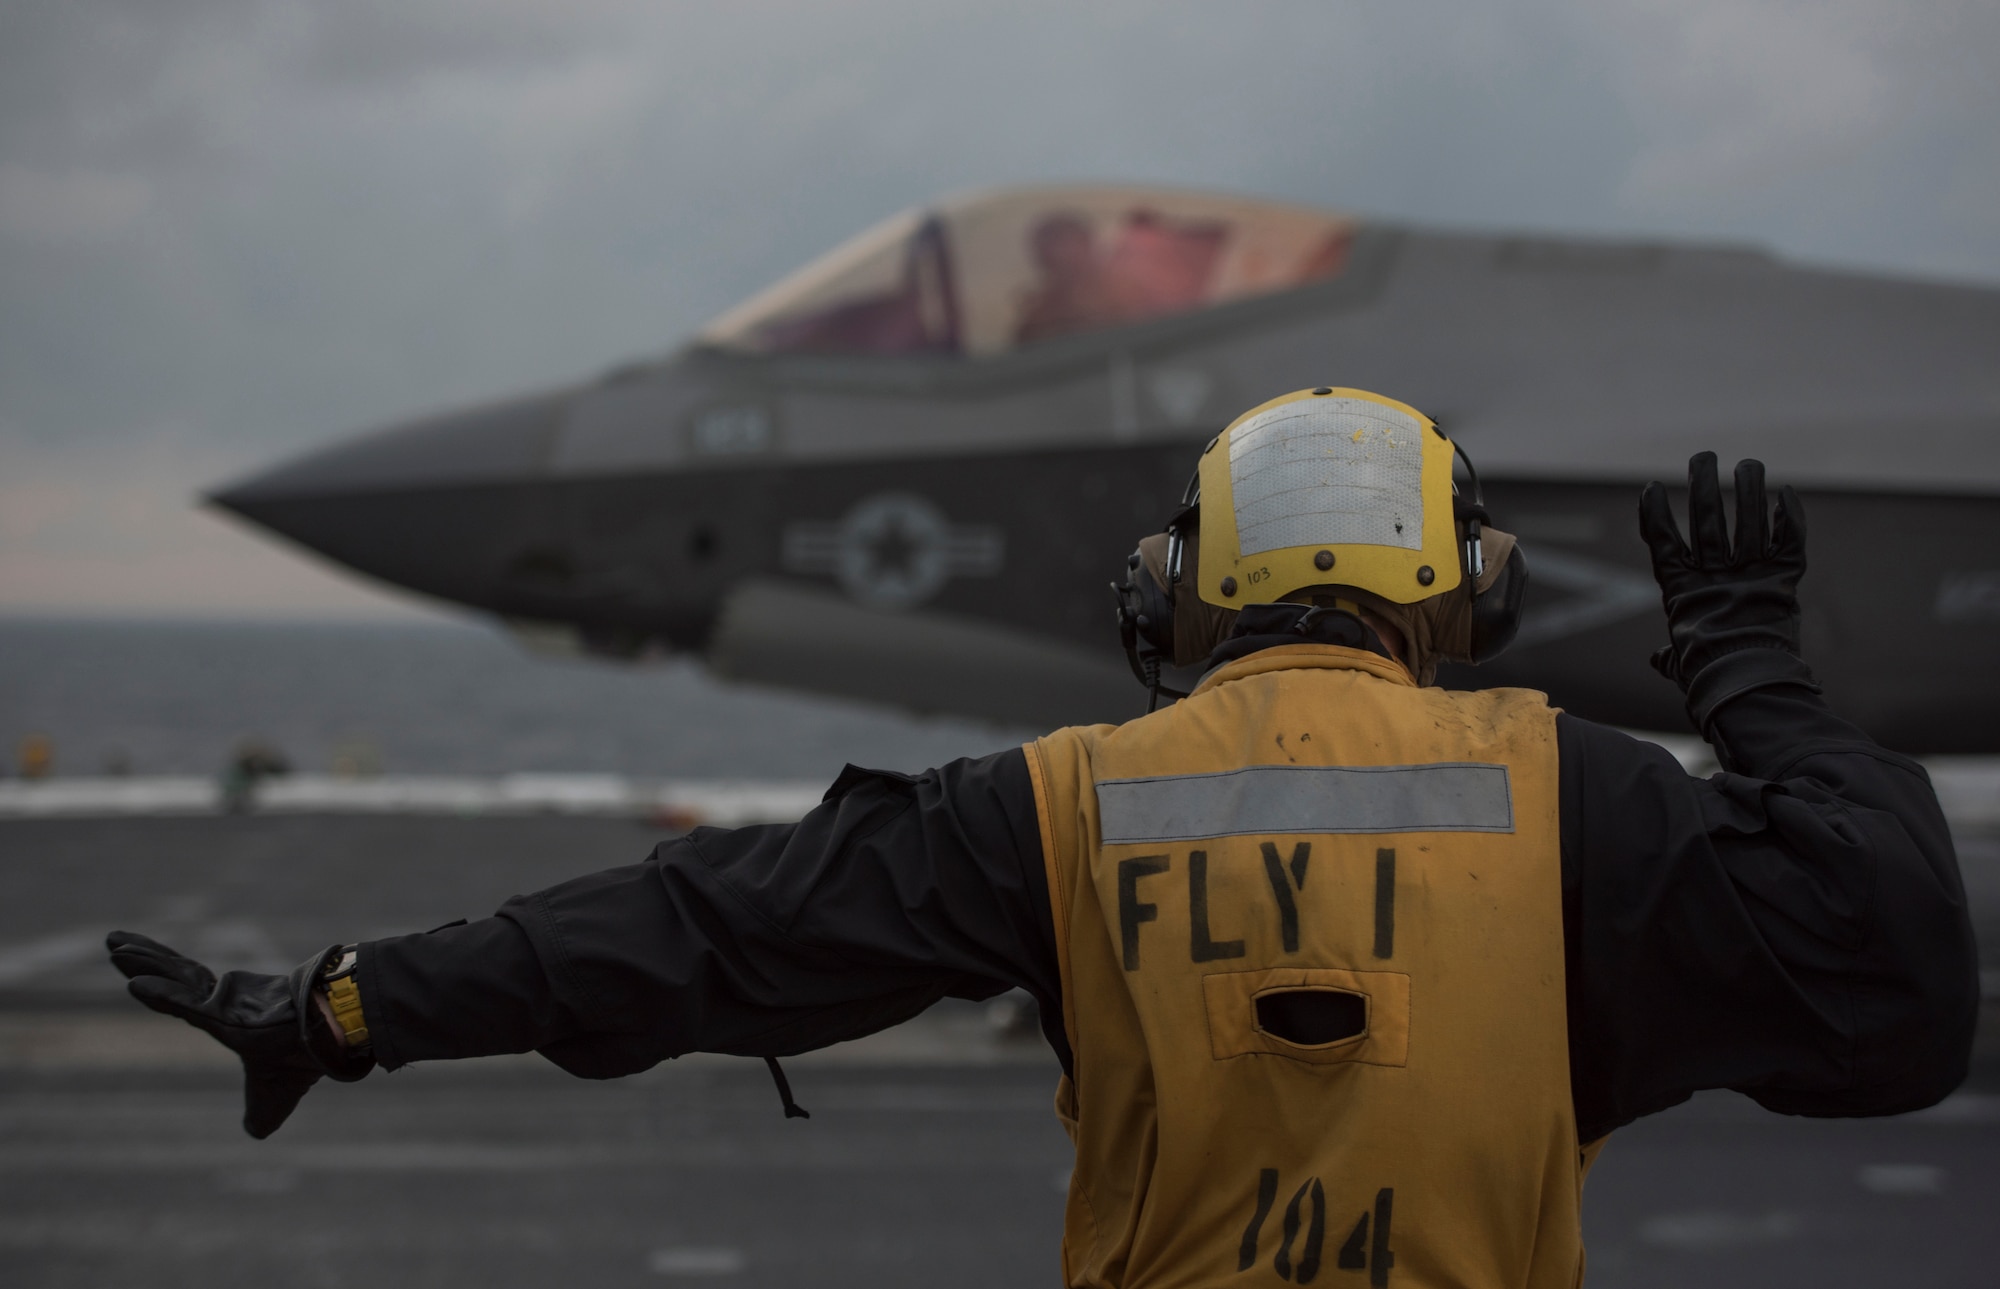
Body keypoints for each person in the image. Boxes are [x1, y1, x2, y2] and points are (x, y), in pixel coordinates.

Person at [108, 387, 1976, 1288]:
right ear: (1463, 590)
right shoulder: (1580, 792)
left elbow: (690, 928)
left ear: (1180, 588)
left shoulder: (1068, 804)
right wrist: (1747, 669)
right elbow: (1896, 992)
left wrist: (341, 1007)